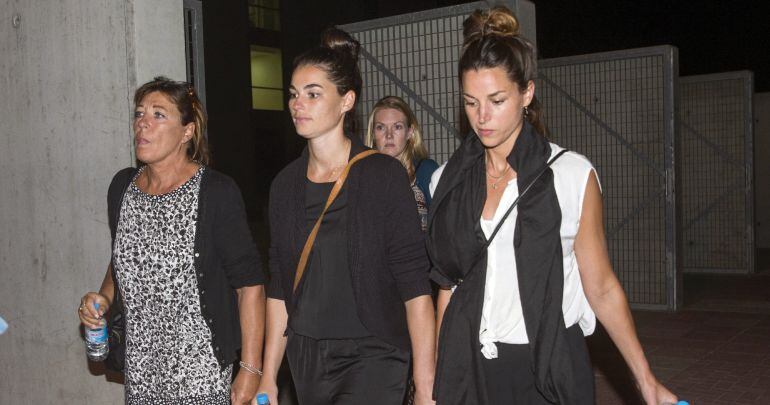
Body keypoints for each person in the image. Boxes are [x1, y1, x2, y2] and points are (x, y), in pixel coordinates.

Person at [427, 7, 678, 405]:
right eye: (470, 102)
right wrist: (431, 386)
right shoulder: (448, 180)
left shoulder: (572, 176)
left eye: (496, 100)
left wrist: (646, 381)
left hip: (549, 363)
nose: (482, 117)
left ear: (526, 93)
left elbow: (602, 287)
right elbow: (449, 288)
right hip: (468, 366)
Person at [257, 28, 436, 405]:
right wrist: (267, 375)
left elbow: (415, 285)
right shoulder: (284, 186)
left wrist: (425, 385)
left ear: (346, 101)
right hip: (306, 356)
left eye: (313, 94)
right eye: (293, 94)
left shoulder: (382, 176)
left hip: (374, 354)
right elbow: (279, 289)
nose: (297, 104)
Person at [78, 77, 266, 405]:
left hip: (200, 372)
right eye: (139, 114)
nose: (143, 123)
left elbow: (249, 286)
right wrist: (104, 299)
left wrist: (250, 369)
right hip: (140, 371)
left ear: (187, 131)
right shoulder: (123, 187)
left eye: (158, 115)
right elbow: (121, 258)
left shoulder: (215, 192)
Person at [365, 96, 439, 230]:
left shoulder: (426, 171)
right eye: (381, 127)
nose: (389, 135)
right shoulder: (362, 176)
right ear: (373, 134)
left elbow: (444, 226)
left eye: (397, 127)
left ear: (409, 132)